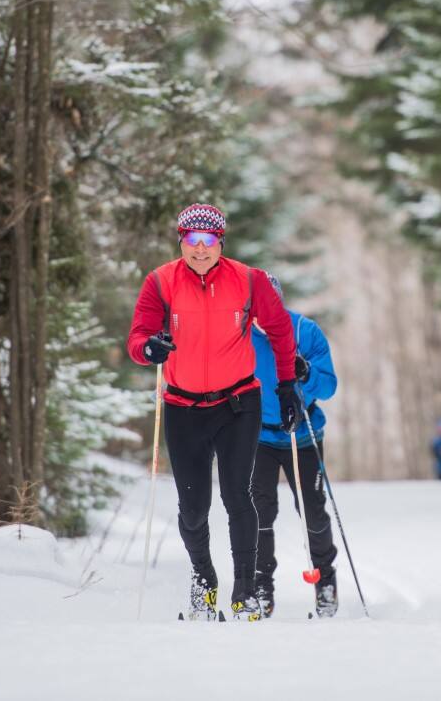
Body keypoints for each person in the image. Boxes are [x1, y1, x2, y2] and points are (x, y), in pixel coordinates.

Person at [127, 203, 303, 621]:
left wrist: (287, 385)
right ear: (181, 242)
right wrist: (148, 348)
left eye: (209, 241)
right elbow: (138, 336)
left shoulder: (248, 279)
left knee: (237, 496)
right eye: (192, 240)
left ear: (221, 242)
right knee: (192, 507)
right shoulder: (160, 282)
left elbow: (279, 331)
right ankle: (204, 583)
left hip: (238, 404)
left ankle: (245, 592)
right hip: (183, 406)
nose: (201, 249)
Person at [249, 273, 339, 618]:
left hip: (302, 435)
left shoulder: (304, 331)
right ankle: (261, 588)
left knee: (312, 509)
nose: (263, 311)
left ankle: (325, 582)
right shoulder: (241, 335)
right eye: (257, 304)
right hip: (258, 436)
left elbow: (329, 386)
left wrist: (305, 374)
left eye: (270, 302)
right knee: (259, 511)